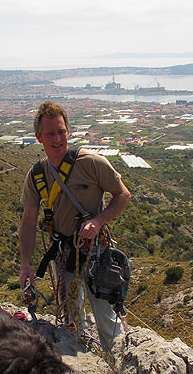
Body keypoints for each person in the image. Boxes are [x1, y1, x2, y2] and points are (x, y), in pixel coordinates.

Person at [19, 101, 131, 351]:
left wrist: (98, 220)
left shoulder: (92, 163)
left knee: (106, 319)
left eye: (61, 131)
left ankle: (120, 372)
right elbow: (28, 221)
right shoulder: (37, 175)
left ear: (68, 131)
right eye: (50, 134)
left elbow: (122, 195)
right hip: (65, 256)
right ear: (39, 137)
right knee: (73, 319)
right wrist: (25, 263)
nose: (57, 139)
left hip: (96, 253)